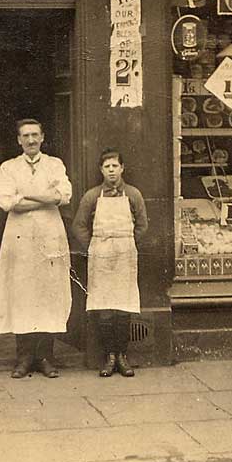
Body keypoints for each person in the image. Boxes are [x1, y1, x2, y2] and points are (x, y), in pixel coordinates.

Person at [0, 118, 72, 378]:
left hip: (50, 236)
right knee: (22, 294)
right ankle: (24, 357)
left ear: (42, 136)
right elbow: (6, 202)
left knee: (48, 294)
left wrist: (27, 196)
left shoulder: (55, 164)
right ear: (18, 140)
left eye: (35, 135)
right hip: (20, 239)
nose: (31, 140)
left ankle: (46, 357)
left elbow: (63, 196)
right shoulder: (8, 168)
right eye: (25, 136)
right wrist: (45, 198)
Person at [72, 149, 148, 377]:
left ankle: (123, 356)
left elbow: (142, 225)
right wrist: (95, 246)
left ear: (122, 168)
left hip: (125, 253)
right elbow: (79, 226)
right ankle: (109, 356)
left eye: (115, 166)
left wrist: (126, 243)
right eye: (107, 167)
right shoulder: (92, 196)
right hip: (101, 255)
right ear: (101, 170)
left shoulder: (133, 194)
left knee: (123, 307)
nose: (111, 171)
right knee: (104, 308)